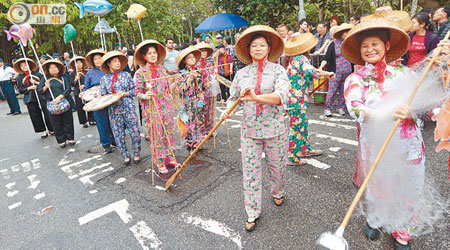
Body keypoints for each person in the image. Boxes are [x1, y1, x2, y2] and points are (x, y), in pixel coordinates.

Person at [342, 16, 449, 250]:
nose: (370, 49)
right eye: (365, 46)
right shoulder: (355, 79)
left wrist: (439, 112)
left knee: (411, 187)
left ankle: (403, 232)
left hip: (410, 145)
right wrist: (388, 112)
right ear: (359, 51)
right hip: (376, 144)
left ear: (386, 45)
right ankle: (376, 219)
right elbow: (356, 108)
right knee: (379, 185)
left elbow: (424, 104)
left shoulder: (405, 74)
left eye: (375, 44)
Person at [222, 25, 290, 232]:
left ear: (269, 49)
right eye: (254, 46)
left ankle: (278, 191)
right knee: (250, 172)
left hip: (275, 129)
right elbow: (233, 98)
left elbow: (281, 97)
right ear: (249, 50)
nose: (258, 49)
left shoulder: (278, 70)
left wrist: (255, 97)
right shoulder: (242, 74)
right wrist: (229, 110)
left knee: (277, 167)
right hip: (250, 131)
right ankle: (252, 211)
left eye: (262, 45)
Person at [284, 33, 334, 165]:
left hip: (295, 99)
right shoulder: (301, 59)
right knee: (296, 127)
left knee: (302, 125)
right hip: (296, 100)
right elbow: (311, 71)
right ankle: (293, 157)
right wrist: (327, 73)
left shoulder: (293, 59)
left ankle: (304, 149)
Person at [134, 40, 178, 173]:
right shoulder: (141, 73)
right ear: (144, 56)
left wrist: (174, 84)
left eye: (154, 53)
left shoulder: (162, 69)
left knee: (169, 133)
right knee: (156, 135)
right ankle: (159, 161)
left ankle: (170, 157)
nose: (153, 55)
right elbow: (136, 91)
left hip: (166, 107)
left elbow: (166, 89)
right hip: (152, 109)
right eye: (149, 53)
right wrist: (144, 95)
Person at [99, 51, 141, 165]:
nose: (118, 63)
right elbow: (103, 96)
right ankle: (125, 155)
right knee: (118, 134)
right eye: (115, 61)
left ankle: (137, 153)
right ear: (108, 64)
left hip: (128, 107)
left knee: (135, 131)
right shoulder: (104, 79)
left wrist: (124, 94)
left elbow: (134, 90)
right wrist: (111, 98)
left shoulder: (126, 75)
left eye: (119, 61)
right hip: (114, 109)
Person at [82, 49, 115, 153]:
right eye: (95, 59)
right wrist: (83, 93)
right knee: (102, 122)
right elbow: (86, 88)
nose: (97, 60)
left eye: (99, 58)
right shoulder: (90, 74)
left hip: (110, 99)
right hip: (97, 101)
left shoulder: (110, 71)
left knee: (113, 120)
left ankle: (115, 140)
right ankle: (105, 143)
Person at [174, 47, 206, 152]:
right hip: (188, 103)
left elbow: (201, 86)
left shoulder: (197, 71)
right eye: (190, 57)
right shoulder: (181, 73)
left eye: (193, 57)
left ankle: (198, 143)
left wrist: (207, 85)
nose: (192, 59)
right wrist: (189, 79)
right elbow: (181, 90)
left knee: (199, 123)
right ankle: (190, 146)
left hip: (199, 102)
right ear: (184, 60)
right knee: (189, 125)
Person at [38, 59, 74, 148]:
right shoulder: (45, 79)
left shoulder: (63, 78)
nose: (53, 69)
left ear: (59, 69)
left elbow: (68, 89)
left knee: (68, 121)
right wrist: (46, 87)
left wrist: (61, 96)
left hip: (64, 101)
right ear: (48, 69)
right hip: (52, 103)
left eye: (55, 67)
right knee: (56, 123)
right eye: (51, 68)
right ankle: (61, 140)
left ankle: (70, 138)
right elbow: (39, 91)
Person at [15, 58, 54, 138]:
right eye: (22, 66)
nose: (24, 67)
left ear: (29, 65)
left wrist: (36, 83)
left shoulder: (38, 74)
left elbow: (45, 84)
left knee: (47, 112)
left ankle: (51, 129)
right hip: (30, 98)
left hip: (41, 96)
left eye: (25, 65)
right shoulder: (19, 77)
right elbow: (20, 90)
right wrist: (29, 88)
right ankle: (43, 131)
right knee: (35, 115)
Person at [322, 23, 354, 117]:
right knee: (332, 90)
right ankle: (328, 108)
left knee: (344, 90)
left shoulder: (349, 44)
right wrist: (320, 68)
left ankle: (341, 107)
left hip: (347, 71)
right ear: (341, 33)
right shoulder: (333, 44)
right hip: (335, 72)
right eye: (346, 32)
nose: (348, 34)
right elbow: (326, 57)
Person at [195, 42, 217, 136]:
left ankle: (210, 130)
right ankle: (201, 130)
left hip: (209, 92)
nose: (203, 53)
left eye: (205, 51)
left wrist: (213, 81)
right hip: (199, 93)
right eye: (201, 51)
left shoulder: (210, 65)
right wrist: (202, 85)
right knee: (200, 111)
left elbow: (213, 76)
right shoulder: (195, 65)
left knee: (210, 111)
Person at [69, 56, 95, 128]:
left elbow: (91, 81)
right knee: (80, 107)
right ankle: (83, 122)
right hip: (78, 92)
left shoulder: (87, 72)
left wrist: (85, 85)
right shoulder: (72, 74)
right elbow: (71, 84)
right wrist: (75, 79)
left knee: (89, 105)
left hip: (87, 91)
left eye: (80, 62)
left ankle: (91, 119)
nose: (79, 64)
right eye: (76, 63)